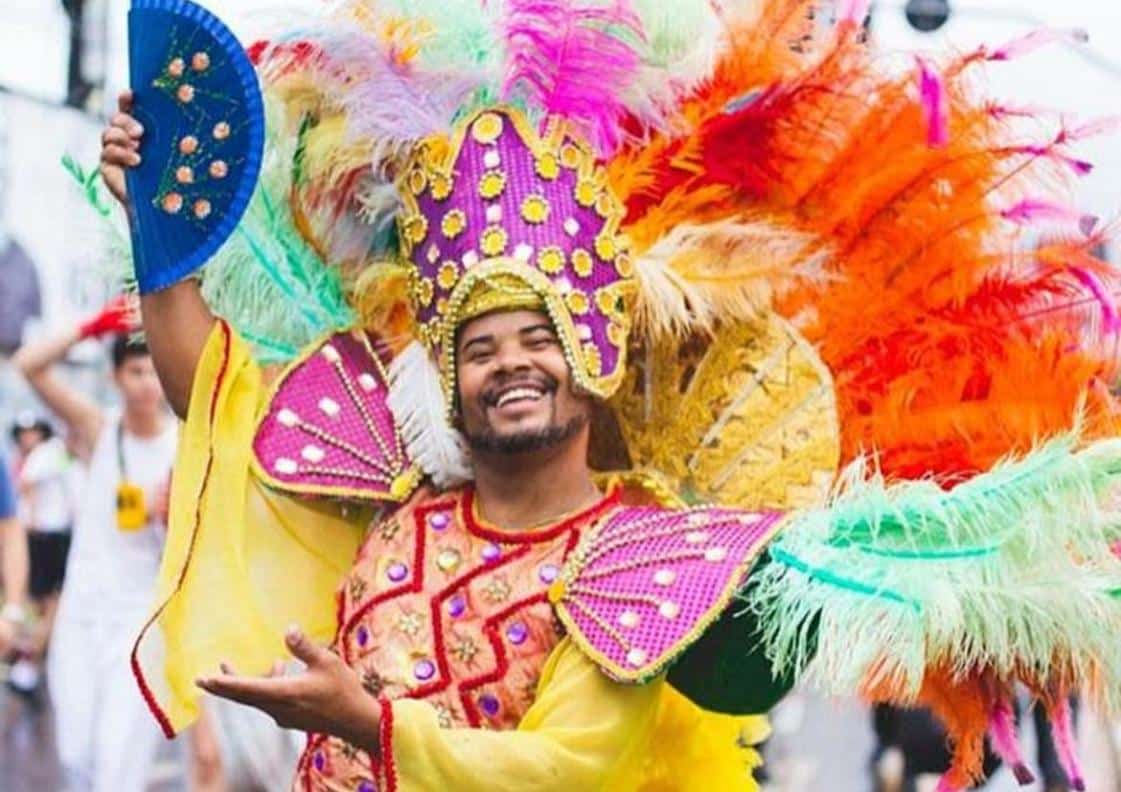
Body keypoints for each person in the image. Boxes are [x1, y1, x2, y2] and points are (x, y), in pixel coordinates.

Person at [96, 2, 1121, 791]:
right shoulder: (400, 500)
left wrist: (370, 726)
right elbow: (218, 398)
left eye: (537, 338)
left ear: (588, 363)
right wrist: (158, 219)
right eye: (481, 347)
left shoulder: (634, 555)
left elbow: (566, 766)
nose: (510, 365)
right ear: (447, 380)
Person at [13, 310, 178, 792]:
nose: (147, 383)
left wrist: (170, 514)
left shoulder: (184, 445)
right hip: (83, 613)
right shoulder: (98, 429)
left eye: (154, 370)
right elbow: (29, 365)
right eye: (136, 370)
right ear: (116, 376)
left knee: (117, 766)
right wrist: (93, 325)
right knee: (75, 756)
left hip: (139, 621)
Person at [7, 414, 76, 681]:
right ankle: (29, 656)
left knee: (49, 599)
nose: (28, 437)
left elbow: (28, 484)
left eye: (33, 431)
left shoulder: (48, 453)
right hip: (41, 533)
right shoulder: (39, 456)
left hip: (50, 533)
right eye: (24, 432)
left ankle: (32, 655)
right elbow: (27, 484)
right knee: (41, 599)